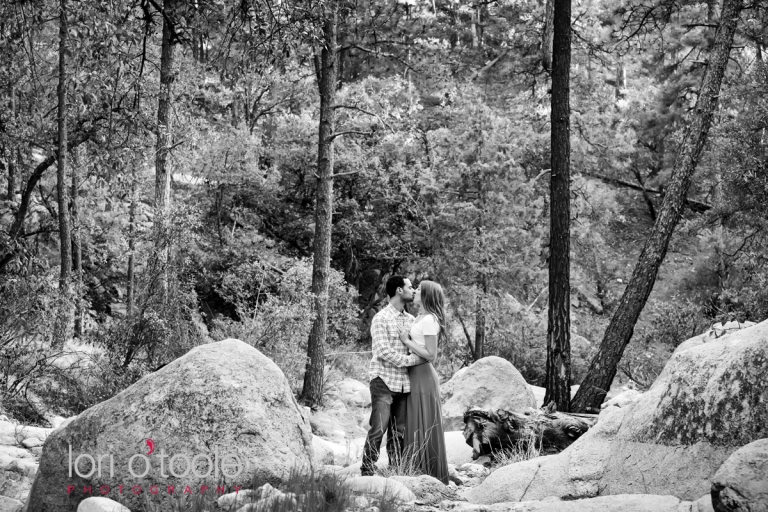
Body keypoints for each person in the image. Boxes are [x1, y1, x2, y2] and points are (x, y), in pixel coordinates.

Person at [361, 275, 426, 477]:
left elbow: (417, 349)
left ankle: (396, 471)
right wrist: (410, 361)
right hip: (383, 380)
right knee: (378, 428)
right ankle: (367, 470)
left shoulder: (411, 320)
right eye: (410, 286)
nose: (413, 289)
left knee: (399, 432)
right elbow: (382, 351)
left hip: (405, 384)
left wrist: (417, 357)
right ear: (399, 290)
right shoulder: (381, 318)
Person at [398, 280, 449, 484]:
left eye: (419, 289)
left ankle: (430, 474)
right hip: (414, 373)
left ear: (426, 295)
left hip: (423, 375)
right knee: (414, 422)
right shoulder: (419, 316)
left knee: (424, 423)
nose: (415, 291)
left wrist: (407, 341)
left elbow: (431, 354)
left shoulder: (429, 320)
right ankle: (416, 469)